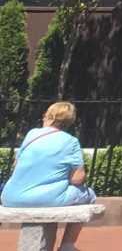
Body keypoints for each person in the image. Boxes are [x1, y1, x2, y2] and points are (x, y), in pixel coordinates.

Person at [1, 102, 94, 248]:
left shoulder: (32, 134)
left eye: (45, 115)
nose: (43, 117)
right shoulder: (71, 141)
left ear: (52, 117)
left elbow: (16, 164)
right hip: (48, 198)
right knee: (90, 195)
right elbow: (78, 178)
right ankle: (67, 246)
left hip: (11, 197)